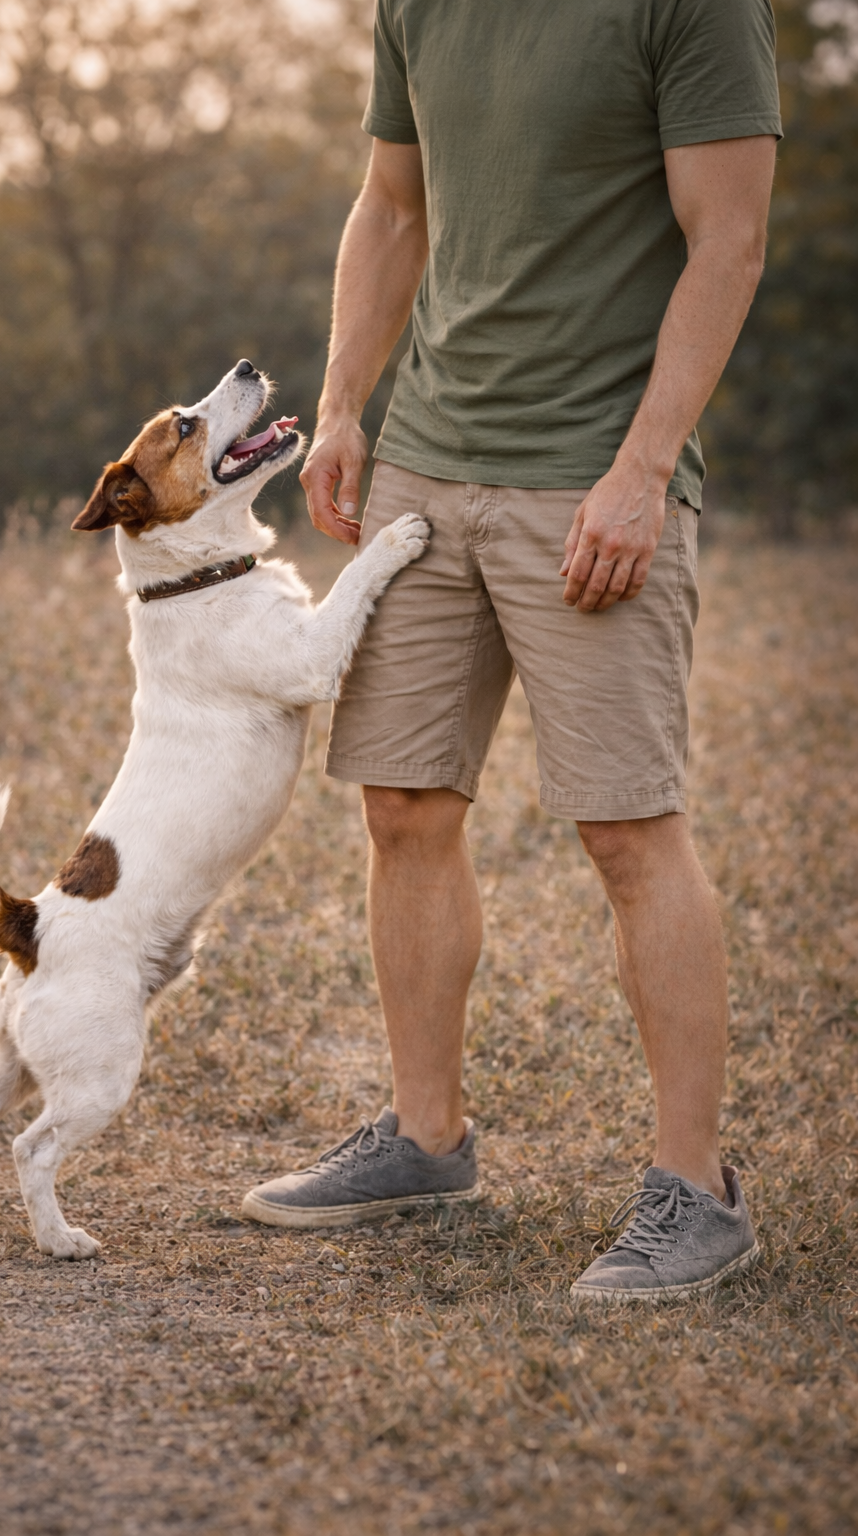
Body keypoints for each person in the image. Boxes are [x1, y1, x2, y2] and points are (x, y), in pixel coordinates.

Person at [241, 0, 781, 1299]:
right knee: (405, 804)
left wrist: (645, 469)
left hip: (592, 475)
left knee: (627, 827)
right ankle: (427, 1142)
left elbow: (730, 239)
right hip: (427, 461)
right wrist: (343, 406)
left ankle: (695, 1190)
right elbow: (389, 204)